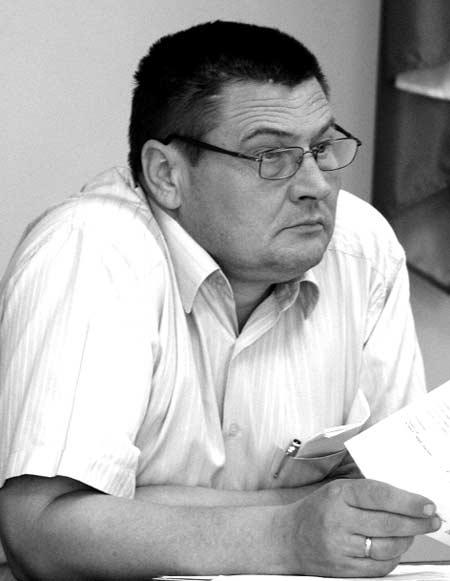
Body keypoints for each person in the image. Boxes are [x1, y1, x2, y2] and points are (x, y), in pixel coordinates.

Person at [0, 20, 440, 580]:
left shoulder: (361, 246)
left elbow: (396, 497)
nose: (316, 185)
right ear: (166, 174)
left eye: (322, 148)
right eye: (271, 156)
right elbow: (39, 533)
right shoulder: (92, 248)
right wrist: (288, 531)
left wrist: (138, 509)